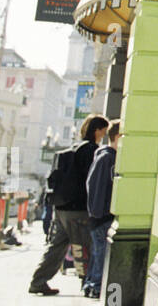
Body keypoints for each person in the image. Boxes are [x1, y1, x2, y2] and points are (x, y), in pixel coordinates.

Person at [28, 115, 108, 296]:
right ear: (97, 130)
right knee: (85, 247)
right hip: (79, 209)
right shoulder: (92, 151)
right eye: (103, 131)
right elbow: (91, 181)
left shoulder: (70, 150)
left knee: (56, 247)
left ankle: (38, 281)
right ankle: (87, 284)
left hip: (61, 208)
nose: (103, 135)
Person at [83, 120, 120, 300]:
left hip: (101, 216)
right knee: (100, 255)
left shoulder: (106, 157)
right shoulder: (107, 158)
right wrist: (98, 214)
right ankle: (95, 286)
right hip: (101, 217)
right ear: (118, 137)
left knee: (98, 254)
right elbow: (95, 186)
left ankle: (91, 285)